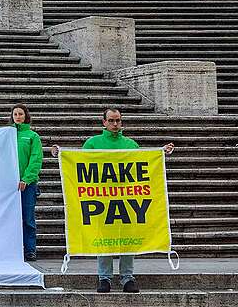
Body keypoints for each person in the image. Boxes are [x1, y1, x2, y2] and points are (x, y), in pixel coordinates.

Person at [52, 108, 174, 294]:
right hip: (102, 199)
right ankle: (104, 278)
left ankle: (127, 277)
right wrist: (60, 154)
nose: (115, 124)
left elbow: (144, 165)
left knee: (129, 240)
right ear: (104, 122)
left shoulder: (131, 144)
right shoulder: (92, 143)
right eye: (111, 120)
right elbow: (78, 163)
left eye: (117, 120)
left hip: (126, 198)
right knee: (104, 239)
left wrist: (160, 153)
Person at [12, 104, 42, 261]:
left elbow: (36, 159)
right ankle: (12, 249)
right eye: (15, 114)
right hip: (9, 184)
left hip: (27, 185)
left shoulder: (32, 136)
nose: (17, 116)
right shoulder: (6, 135)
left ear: (26, 117)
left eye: (20, 114)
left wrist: (26, 178)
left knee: (28, 218)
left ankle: (30, 249)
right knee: (9, 218)